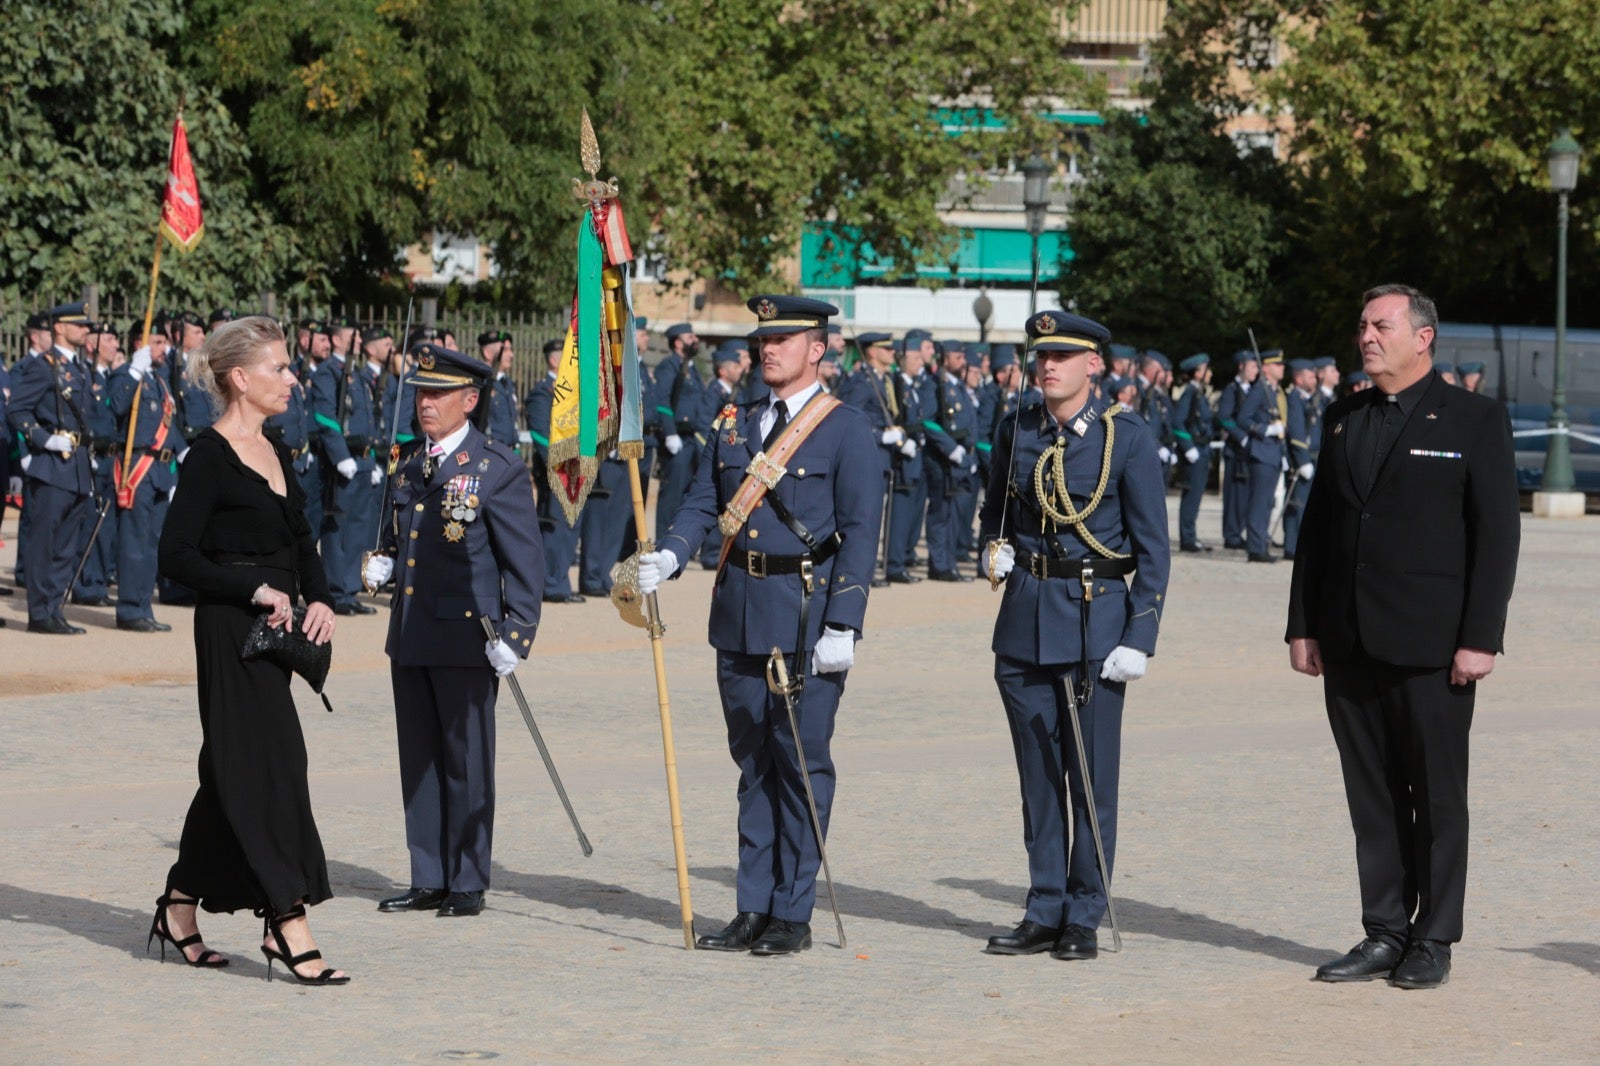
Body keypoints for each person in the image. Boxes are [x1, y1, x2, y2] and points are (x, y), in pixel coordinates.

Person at [1287, 284, 1519, 990]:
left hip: (1434, 647)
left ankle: (1434, 937)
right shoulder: (1343, 416)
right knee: (1373, 797)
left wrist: (1480, 638)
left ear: (1423, 337)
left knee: (1437, 797)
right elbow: (1319, 529)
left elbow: (1496, 536)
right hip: (1350, 640)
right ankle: (1384, 930)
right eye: (1361, 325)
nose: (1365, 336)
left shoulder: (1475, 419)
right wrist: (1303, 625)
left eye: (1380, 325)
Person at [636, 294, 881, 957]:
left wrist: (844, 623)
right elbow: (702, 500)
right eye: (761, 339)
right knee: (752, 765)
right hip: (738, 611)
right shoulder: (734, 420)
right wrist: (672, 552)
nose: (767, 348)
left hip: (804, 617)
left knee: (798, 763)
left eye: (783, 339)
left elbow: (861, 536)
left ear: (818, 349)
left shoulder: (846, 428)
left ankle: (790, 912)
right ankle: (752, 904)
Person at [154, 315, 346, 984]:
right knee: (274, 765)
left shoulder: (280, 449)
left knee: (229, 770)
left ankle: (179, 905)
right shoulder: (208, 455)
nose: (293, 378)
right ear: (240, 378)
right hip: (231, 630)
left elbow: (301, 541)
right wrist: (252, 588)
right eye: (279, 368)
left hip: (283, 631)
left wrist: (319, 596)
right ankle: (286, 919)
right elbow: (175, 555)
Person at [978, 309, 1170, 962]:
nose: (1047, 366)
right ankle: (1044, 906)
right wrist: (991, 550)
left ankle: (1084, 912)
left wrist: (1140, 636)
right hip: (1025, 622)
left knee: (1088, 779)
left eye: (1061, 356)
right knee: (1038, 781)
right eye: (1040, 356)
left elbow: (1153, 548)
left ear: (1095, 364)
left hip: (1094, 625)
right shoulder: (1017, 429)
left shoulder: (1126, 438)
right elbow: (994, 509)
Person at [363, 344, 545, 919]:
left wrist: (517, 634)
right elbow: (406, 535)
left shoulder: (498, 467)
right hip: (413, 631)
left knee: (466, 761)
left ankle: (467, 879)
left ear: (470, 399)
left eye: (438, 394)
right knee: (418, 759)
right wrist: (384, 559)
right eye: (421, 392)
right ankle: (428, 875)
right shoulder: (408, 461)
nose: (425, 403)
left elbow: (524, 561)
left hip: (469, 635)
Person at [7, 301, 95, 633]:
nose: (86, 330)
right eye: (80, 324)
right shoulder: (44, 367)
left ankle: (55, 607)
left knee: (66, 546)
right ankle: (39, 613)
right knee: (44, 542)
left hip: (76, 469)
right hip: (51, 465)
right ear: (60, 327)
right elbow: (17, 410)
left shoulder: (81, 368)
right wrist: (44, 440)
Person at [1235, 349, 1287, 563]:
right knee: (1259, 502)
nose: (1282, 368)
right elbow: (1243, 418)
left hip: (1273, 453)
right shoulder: (1259, 390)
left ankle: (1260, 545)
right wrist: (1264, 429)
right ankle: (1255, 549)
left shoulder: (1274, 391)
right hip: (1262, 452)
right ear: (1266, 368)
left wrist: (1282, 453)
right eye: (1277, 365)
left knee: (1266, 503)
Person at [1171, 353, 1215, 552]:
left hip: (1203, 450)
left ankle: (1191, 535)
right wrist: (1188, 447)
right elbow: (1177, 422)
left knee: (1196, 495)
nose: (1210, 373)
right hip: (1195, 451)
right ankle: (1187, 537)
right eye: (1206, 369)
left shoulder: (1199, 393)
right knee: (1191, 495)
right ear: (1197, 373)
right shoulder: (1190, 392)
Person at [1282, 358, 1322, 560]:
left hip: (1314, 458)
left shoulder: (1311, 399)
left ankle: (1300, 544)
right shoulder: (1294, 399)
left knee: (1307, 505)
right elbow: (1296, 432)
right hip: (1301, 461)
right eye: (1310, 375)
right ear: (1298, 378)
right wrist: (1302, 459)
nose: (1314, 378)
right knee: (1297, 504)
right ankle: (1291, 546)